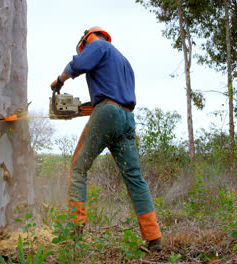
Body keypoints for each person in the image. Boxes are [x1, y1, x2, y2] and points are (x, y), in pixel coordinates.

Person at [50, 26, 162, 251]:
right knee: (134, 177)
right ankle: (154, 238)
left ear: (86, 41)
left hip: (107, 114)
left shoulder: (97, 46)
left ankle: (75, 232)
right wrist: (79, 109)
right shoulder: (124, 62)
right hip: (127, 119)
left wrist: (59, 82)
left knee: (78, 169)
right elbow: (114, 96)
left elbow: (78, 65)